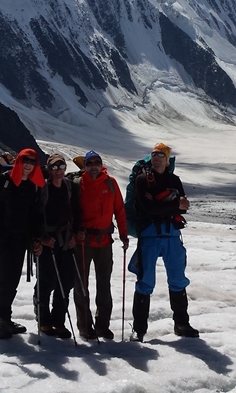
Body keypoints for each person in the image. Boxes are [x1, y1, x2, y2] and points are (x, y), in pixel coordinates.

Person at [128, 142, 199, 341]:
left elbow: (183, 208)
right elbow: (149, 209)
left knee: (177, 279)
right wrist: (172, 204)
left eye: (161, 154)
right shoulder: (142, 180)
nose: (157, 157)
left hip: (170, 235)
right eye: (154, 154)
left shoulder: (174, 179)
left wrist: (161, 204)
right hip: (151, 235)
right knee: (145, 282)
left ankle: (182, 324)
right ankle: (139, 330)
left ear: (167, 160)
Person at [0, 148, 45, 340]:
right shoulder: (4, 180)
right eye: (25, 160)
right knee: (4, 280)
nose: (29, 165)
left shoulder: (32, 186)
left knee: (12, 280)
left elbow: (33, 215)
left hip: (20, 240)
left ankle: (4, 319)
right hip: (2, 238)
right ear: (19, 162)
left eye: (32, 162)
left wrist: (36, 237)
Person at [73, 150, 129, 340]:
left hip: (105, 241)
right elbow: (71, 212)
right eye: (90, 163)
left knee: (103, 285)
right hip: (83, 242)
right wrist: (75, 231)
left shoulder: (110, 183)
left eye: (97, 162)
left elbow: (119, 210)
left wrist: (123, 234)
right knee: (82, 285)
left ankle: (102, 325)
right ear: (85, 166)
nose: (94, 166)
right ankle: (85, 326)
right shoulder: (78, 185)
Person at [34, 153, 80, 338]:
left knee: (66, 281)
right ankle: (44, 319)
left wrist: (74, 234)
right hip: (47, 240)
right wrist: (41, 238)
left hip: (65, 239)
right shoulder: (42, 188)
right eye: (54, 167)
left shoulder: (69, 186)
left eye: (61, 167)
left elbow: (75, 212)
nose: (58, 170)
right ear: (48, 169)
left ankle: (58, 321)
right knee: (47, 281)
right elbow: (35, 214)